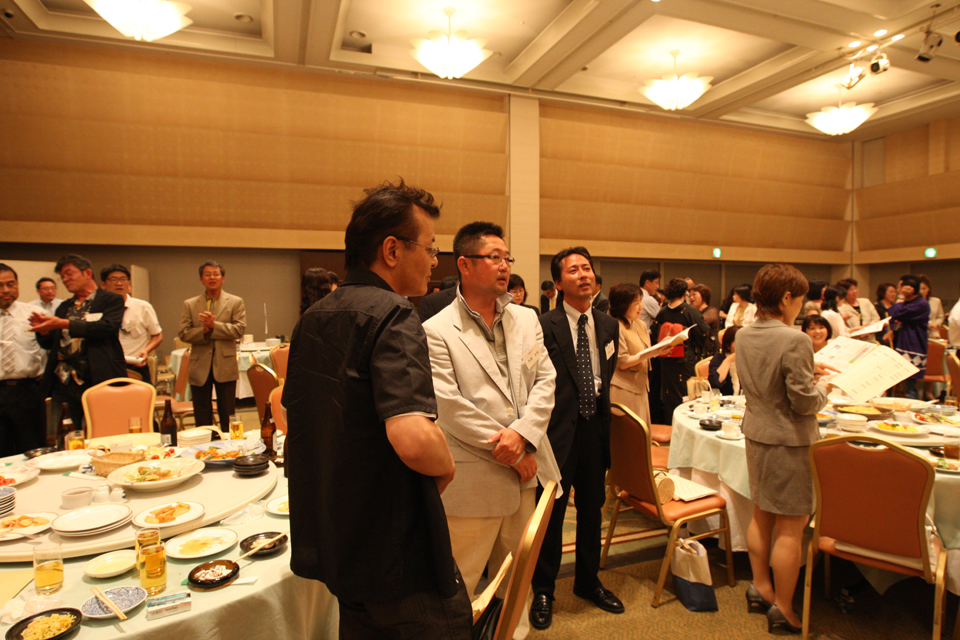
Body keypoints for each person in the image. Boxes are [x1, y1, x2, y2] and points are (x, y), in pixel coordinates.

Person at [284, 179, 471, 638]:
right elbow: (413, 437)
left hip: (338, 540)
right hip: (394, 552)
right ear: (392, 250)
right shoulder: (394, 312)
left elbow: (296, 420)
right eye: (429, 247)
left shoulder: (313, 317)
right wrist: (446, 464)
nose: (434, 261)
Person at [424, 222, 560, 639]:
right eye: (494, 257)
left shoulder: (526, 318)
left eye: (507, 258)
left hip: (526, 472)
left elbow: (545, 380)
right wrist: (513, 449)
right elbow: (449, 407)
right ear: (464, 265)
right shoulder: (436, 329)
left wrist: (524, 436)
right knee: (460, 583)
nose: (504, 266)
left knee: (517, 580)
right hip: (474, 476)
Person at [737, 263, 831, 634]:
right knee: (791, 529)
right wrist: (824, 389)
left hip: (756, 433)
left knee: (761, 516)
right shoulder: (796, 339)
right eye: (800, 300)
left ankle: (761, 587)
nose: (801, 308)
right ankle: (785, 608)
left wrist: (809, 374)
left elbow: (767, 377)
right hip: (789, 441)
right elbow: (804, 403)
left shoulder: (744, 334)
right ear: (786, 297)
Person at [531, 247, 622, 630]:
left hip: (594, 429)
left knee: (591, 508)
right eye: (573, 270)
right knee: (550, 515)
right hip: (556, 433)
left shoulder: (608, 324)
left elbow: (606, 374)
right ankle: (543, 590)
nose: (584, 275)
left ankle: (588, 580)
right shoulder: (542, 324)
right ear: (558, 282)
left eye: (587, 268)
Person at [29, 255, 126, 428]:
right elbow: (50, 343)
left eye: (69, 274)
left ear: (87, 273)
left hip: (98, 376)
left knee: (102, 429)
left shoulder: (111, 300)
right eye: (62, 277)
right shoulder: (64, 307)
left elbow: (105, 327)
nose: (65, 280)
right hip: (64, 380)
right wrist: (43, 330)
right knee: (65, 431)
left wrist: (63, 323)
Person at [177, 261, 246, 429]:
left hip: (225, 363)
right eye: (207, 275)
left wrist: (215, 326)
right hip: (199, 365)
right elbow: (183, 333)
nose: (212, 278)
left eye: (216, 274)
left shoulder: (235, 302)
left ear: (223, 278)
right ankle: (204, 442)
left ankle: (229, 442)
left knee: (227, 413)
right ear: (201, 279)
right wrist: (203, 330)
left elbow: (239, 330)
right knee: (202, 414)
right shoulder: (190, 304)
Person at [0, 264, 46, 456]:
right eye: (0, 285)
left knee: (32, 451)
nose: (6, 290)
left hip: (28, 392)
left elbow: (50, 349)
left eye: (11, 284)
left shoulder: (35, 314)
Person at [609, 283, 669, 427]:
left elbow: (644, 353)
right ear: (622, 305)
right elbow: (623, 362)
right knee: (629, 433)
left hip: (641, 385)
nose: (641, 306)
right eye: (636, 302)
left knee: (642, 430)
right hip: (623, 387)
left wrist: (660, 349)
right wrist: (652, 352)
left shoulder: (640, 324)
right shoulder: (615, 326)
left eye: (640, 301)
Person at [651, 278, 709, 420]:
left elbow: (654, 331)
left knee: (668, 394)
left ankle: (669, 422)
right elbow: (703, 332)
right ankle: (684, 423)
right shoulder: (690, 311)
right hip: (685, 360)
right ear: (685, 293)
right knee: (686, 394)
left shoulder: (663, 311)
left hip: (666, 360)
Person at [100, 264, 163, 384]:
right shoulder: (97, 308)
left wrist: (146, 351)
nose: (119, 283)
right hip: (106, 365)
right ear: (103, 284)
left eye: (123, 279)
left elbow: (158, 336)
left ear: (129, 283)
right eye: (113, 279)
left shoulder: (142, 307)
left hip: (135, 364)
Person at [888, 275, 930, 399]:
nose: (899, 291)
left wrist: (901, 298)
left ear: (910, 289)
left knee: (910, 387)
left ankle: (912, 409)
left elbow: (895, 312)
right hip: (904, 344)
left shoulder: (921, 304)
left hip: (913, 347)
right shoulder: (909, 303)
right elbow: (893, 314)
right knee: (902, 384)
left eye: (900, 287)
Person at [639, 269, 663, 424]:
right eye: (656, 283)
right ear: (647, 283)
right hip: (646, 341)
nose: (658, 286)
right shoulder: (648, 299)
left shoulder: (640, 296)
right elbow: (662, 317)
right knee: (651, 380)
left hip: (640, 340)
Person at [708, 325, 740, 396]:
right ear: (728, 346)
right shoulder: (719, 358)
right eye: (738, 342)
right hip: (724, 400)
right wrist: (729, 360)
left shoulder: (750, 359)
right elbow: (715, 383)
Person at [689, 284, 720, 357]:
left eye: (694, 294)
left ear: (703, 295)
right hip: (697, 350)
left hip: (710, 350)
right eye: (690, 296)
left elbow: (699, 323)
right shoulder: (694, 312)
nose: (691, 298)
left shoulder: (712, 311)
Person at [918, 275, 945, 340]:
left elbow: (941, 317)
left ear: (928, 289)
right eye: (919, 289)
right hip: (917, 335)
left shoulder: (936, 301)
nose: (921, 291)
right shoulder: (911, 303)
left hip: (933, 334)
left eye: (924, 289)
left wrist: (936, 323)